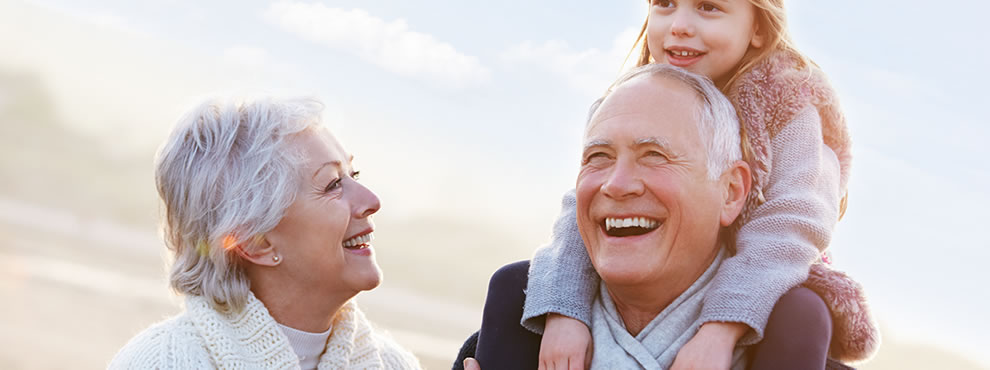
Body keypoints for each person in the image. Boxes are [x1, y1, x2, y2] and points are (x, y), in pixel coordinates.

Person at [474, 0, 880, 368]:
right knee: (516, 284)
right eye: (664, 4)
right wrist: (565, 312)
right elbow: (580, 218)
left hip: (767, 270)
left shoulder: (787, 105)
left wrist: (720, 329)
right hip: (650, 267)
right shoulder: (633, 98)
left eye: (707, 7)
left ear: (758, 28)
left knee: (802, 313)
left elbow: (792, 222)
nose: (679, 25)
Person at [108, 97, 422, 369]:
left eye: (353, 175)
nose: (372, 201)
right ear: (255, 242)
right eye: (333, 185)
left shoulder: (395, 365)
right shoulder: (158, 364)